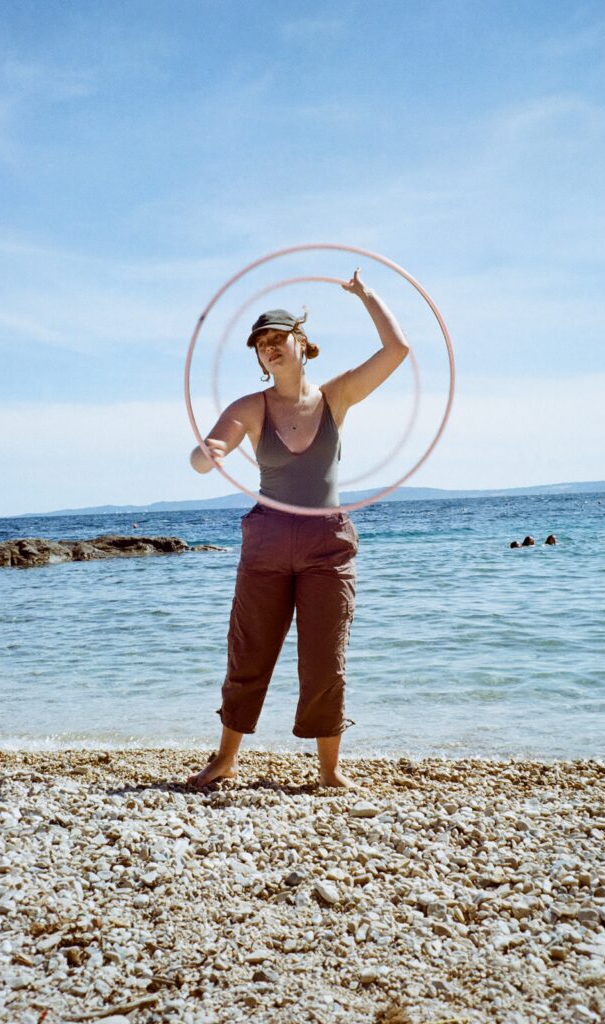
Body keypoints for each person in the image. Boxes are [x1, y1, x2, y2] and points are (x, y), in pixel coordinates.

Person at [186, 270, 409, 788]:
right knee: (248, 653)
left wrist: (365, 295)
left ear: (301, 343)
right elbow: (205, 455)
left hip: (325, 545)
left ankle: (329, 771)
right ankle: (225, 760)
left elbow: (397, 349)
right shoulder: (249, 407)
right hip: (265, 543)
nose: (269, 349)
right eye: (261, 345)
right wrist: (209, 452)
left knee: (325, 660)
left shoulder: (336, 398)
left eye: (277, 338)